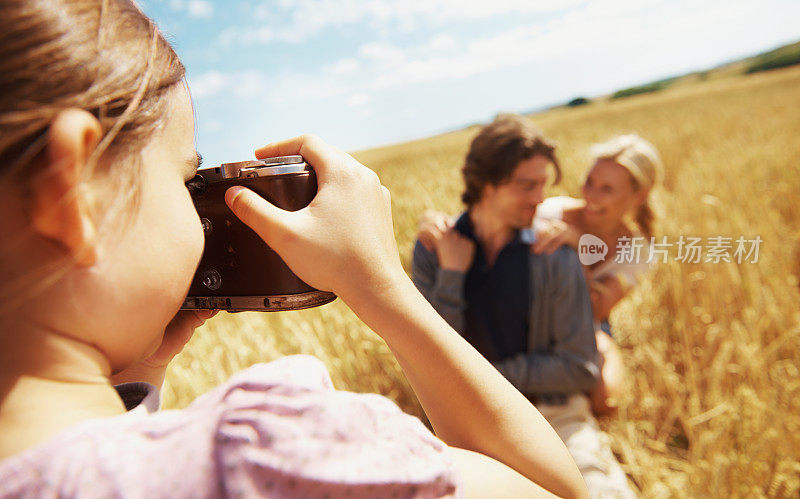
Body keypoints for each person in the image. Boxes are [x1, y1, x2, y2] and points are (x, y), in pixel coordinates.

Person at [0, 1, 589, 497]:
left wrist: (141, 373)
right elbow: (552, 488)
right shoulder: (265, 454)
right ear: (72, 189)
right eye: (187, 181)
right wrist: (382, 286)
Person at [412, 114, 636, 498]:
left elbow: (579, 369)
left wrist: (483, 380)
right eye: (526, 186)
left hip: (555, 419)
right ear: (485, 184)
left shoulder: (554, 255)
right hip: (464, 428)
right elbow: (429, 363)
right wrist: (451, 274)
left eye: (543, 186)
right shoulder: (434, 248)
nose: (540, 199)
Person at [418, 134, 662, 415]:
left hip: (590, 325)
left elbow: (593, 310)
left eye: (606, 189)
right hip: (530, 308)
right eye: (590, 182)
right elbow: (488, 218)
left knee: (604, 401)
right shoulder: (551, 212)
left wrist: (577, 250)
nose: (591, 196)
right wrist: (434, 221)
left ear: (639, 195)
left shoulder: (638, 250)